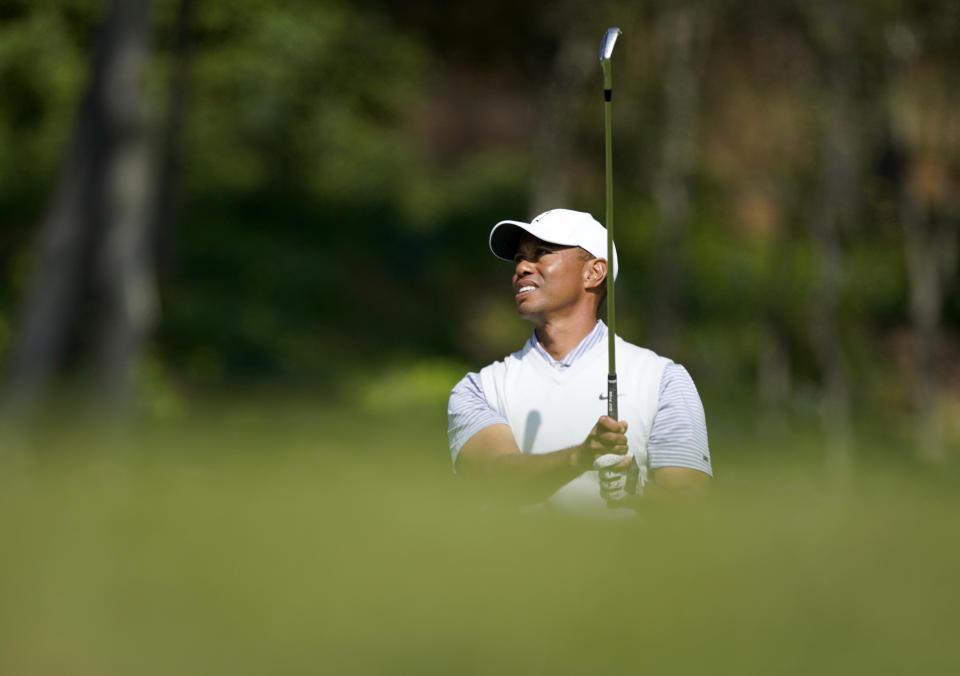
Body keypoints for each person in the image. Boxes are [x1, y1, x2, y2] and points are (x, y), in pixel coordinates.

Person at [447, 208, 711, 513]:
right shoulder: (480, 388)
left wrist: (638, 493)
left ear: (594, 272)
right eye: (520, 257)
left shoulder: (663, 379)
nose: (521, 268)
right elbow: (494, 477)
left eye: (542, 253)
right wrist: (580, 458)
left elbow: (690, 510)